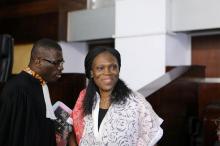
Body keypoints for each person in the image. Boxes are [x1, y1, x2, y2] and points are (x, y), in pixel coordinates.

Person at [70, 47, 163, 146]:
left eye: (113, 67)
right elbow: (73, 134)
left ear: (119, 69)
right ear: (92, 73)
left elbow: (151, 140)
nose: (108, 72)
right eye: (100, 68)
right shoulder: (84, 99)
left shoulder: (136, 101)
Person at [0, 38, 64, 146]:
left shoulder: (40, 84)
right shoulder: (17, 89)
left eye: (61, 62)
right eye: (56, 63)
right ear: (38, 61)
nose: (61, 67)